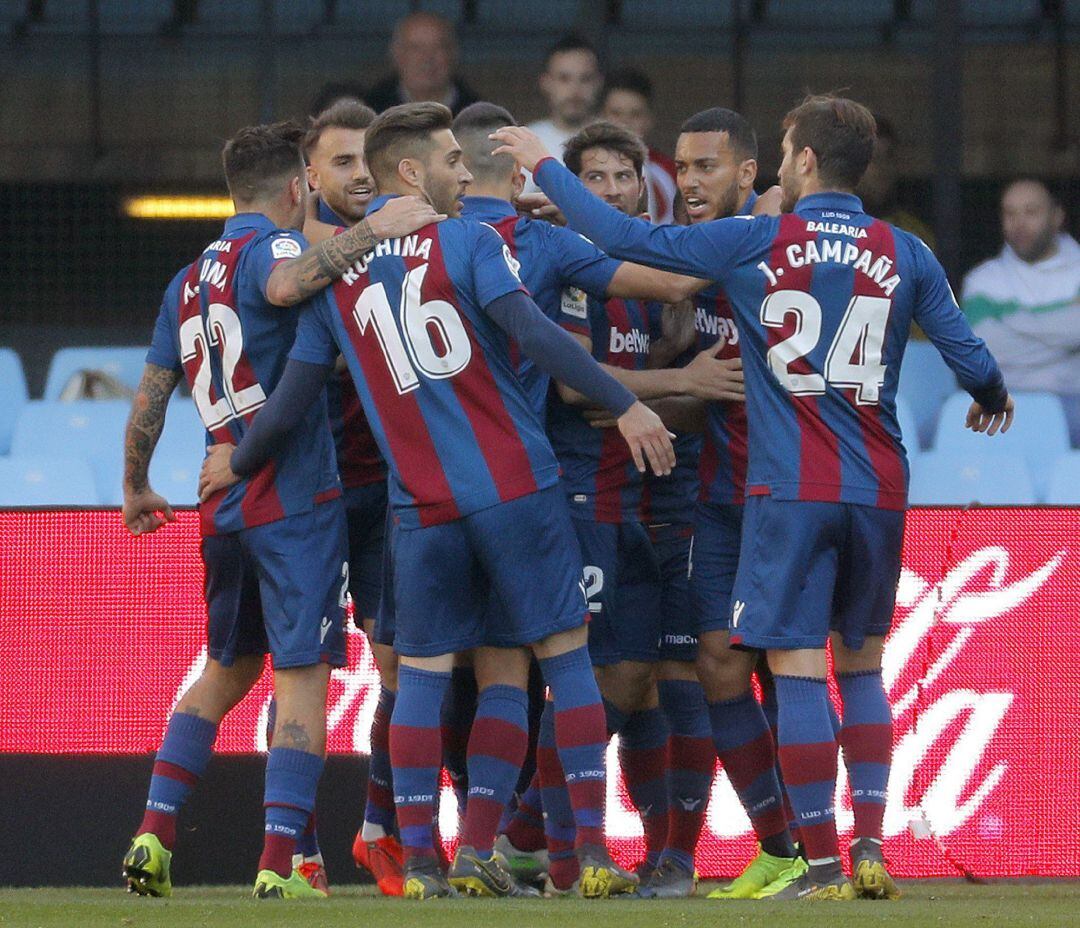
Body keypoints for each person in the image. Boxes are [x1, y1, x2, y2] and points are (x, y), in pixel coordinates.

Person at [492, 92, 1013, 901]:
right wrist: (989, 392)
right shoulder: (907, 251)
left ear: (804, 161)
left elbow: (628, 235)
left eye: (782, 150)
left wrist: (544, 165)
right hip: (878, 486)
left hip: (788, 486)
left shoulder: (758, 240)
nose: (776, 164)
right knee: (864, 666)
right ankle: (872, 846)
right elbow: (968, 354)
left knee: (798, 668)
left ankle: (825, 865)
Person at [198, 101, 675, 900]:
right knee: (563, 664)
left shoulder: (341, 276)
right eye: (452, 158)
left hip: (420, 508)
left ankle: (423, 859)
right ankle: (589, 854)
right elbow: (538, 335)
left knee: (419, 677)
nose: (466, 171)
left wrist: (235, 462)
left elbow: (289, 401)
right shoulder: (469, 241)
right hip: (516, 488)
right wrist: (625, 403)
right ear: (413, 172)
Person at [119, 120, 439, 901]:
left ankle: (153, 837)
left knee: (224, 672)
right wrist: (373, 228)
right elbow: (288, 287)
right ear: (297, 187)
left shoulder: (186, 280)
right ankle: (277, 863)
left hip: (219, 500)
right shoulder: (277, 249)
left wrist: (135, 483)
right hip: (291, 499)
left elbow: (149, 402)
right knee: (303, 680)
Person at [450, 106, 738, 894]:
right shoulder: (557, 258)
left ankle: (538, 842)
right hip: (572, 490)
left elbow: (672, 306)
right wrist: (679, 383)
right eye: (594, 178)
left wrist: (677, 364)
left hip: (637, 500)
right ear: (558, 185)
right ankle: (547, 846)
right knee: (570, 672)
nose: (612, 189)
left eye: (624, 179)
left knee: (634, 680)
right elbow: (579, 384)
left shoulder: (638, 283)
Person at [301, 98, 404, 896]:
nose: (360, 173)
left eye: (369, 158)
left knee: (400, 663)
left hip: (387, 488)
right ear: (309, 175)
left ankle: (379, 829)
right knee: (302, 671)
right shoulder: (291, 259)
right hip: (307, 494)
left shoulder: (406, 247)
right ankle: (297, 847)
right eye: (342, 161)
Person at [962, 177, 1080, 442]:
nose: (1019, 224)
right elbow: (984, 348)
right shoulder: (983, 281)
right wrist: (1065, 337)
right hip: (999, 403)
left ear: (1057, 216)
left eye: (1031, 212)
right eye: (1010, 213)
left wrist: (1012, 321)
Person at [523, 33, 604, 191]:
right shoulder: (524, 144)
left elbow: (644, 215)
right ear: (545, 82)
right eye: (564, 78)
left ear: (599, 82)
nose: (575, 90)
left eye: (585, 79)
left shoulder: (621, 144)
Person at [600, 68, 678, 225]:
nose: (624, 123)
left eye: (635, 114)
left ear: (649, 119)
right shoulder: (583, 171)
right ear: (601, 117)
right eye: (616, 113)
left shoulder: (670, 171)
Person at [365, 11, 479, 115]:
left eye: (438, 47)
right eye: (416, 48)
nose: (427, 58)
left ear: (453, 54)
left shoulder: (479, 116)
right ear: (397, 55)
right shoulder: (371, 113)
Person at [856, 115, 935, 248]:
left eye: (889, 156)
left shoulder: (915, 233)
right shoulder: (835, 227)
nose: (882, 166)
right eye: (873, 158)